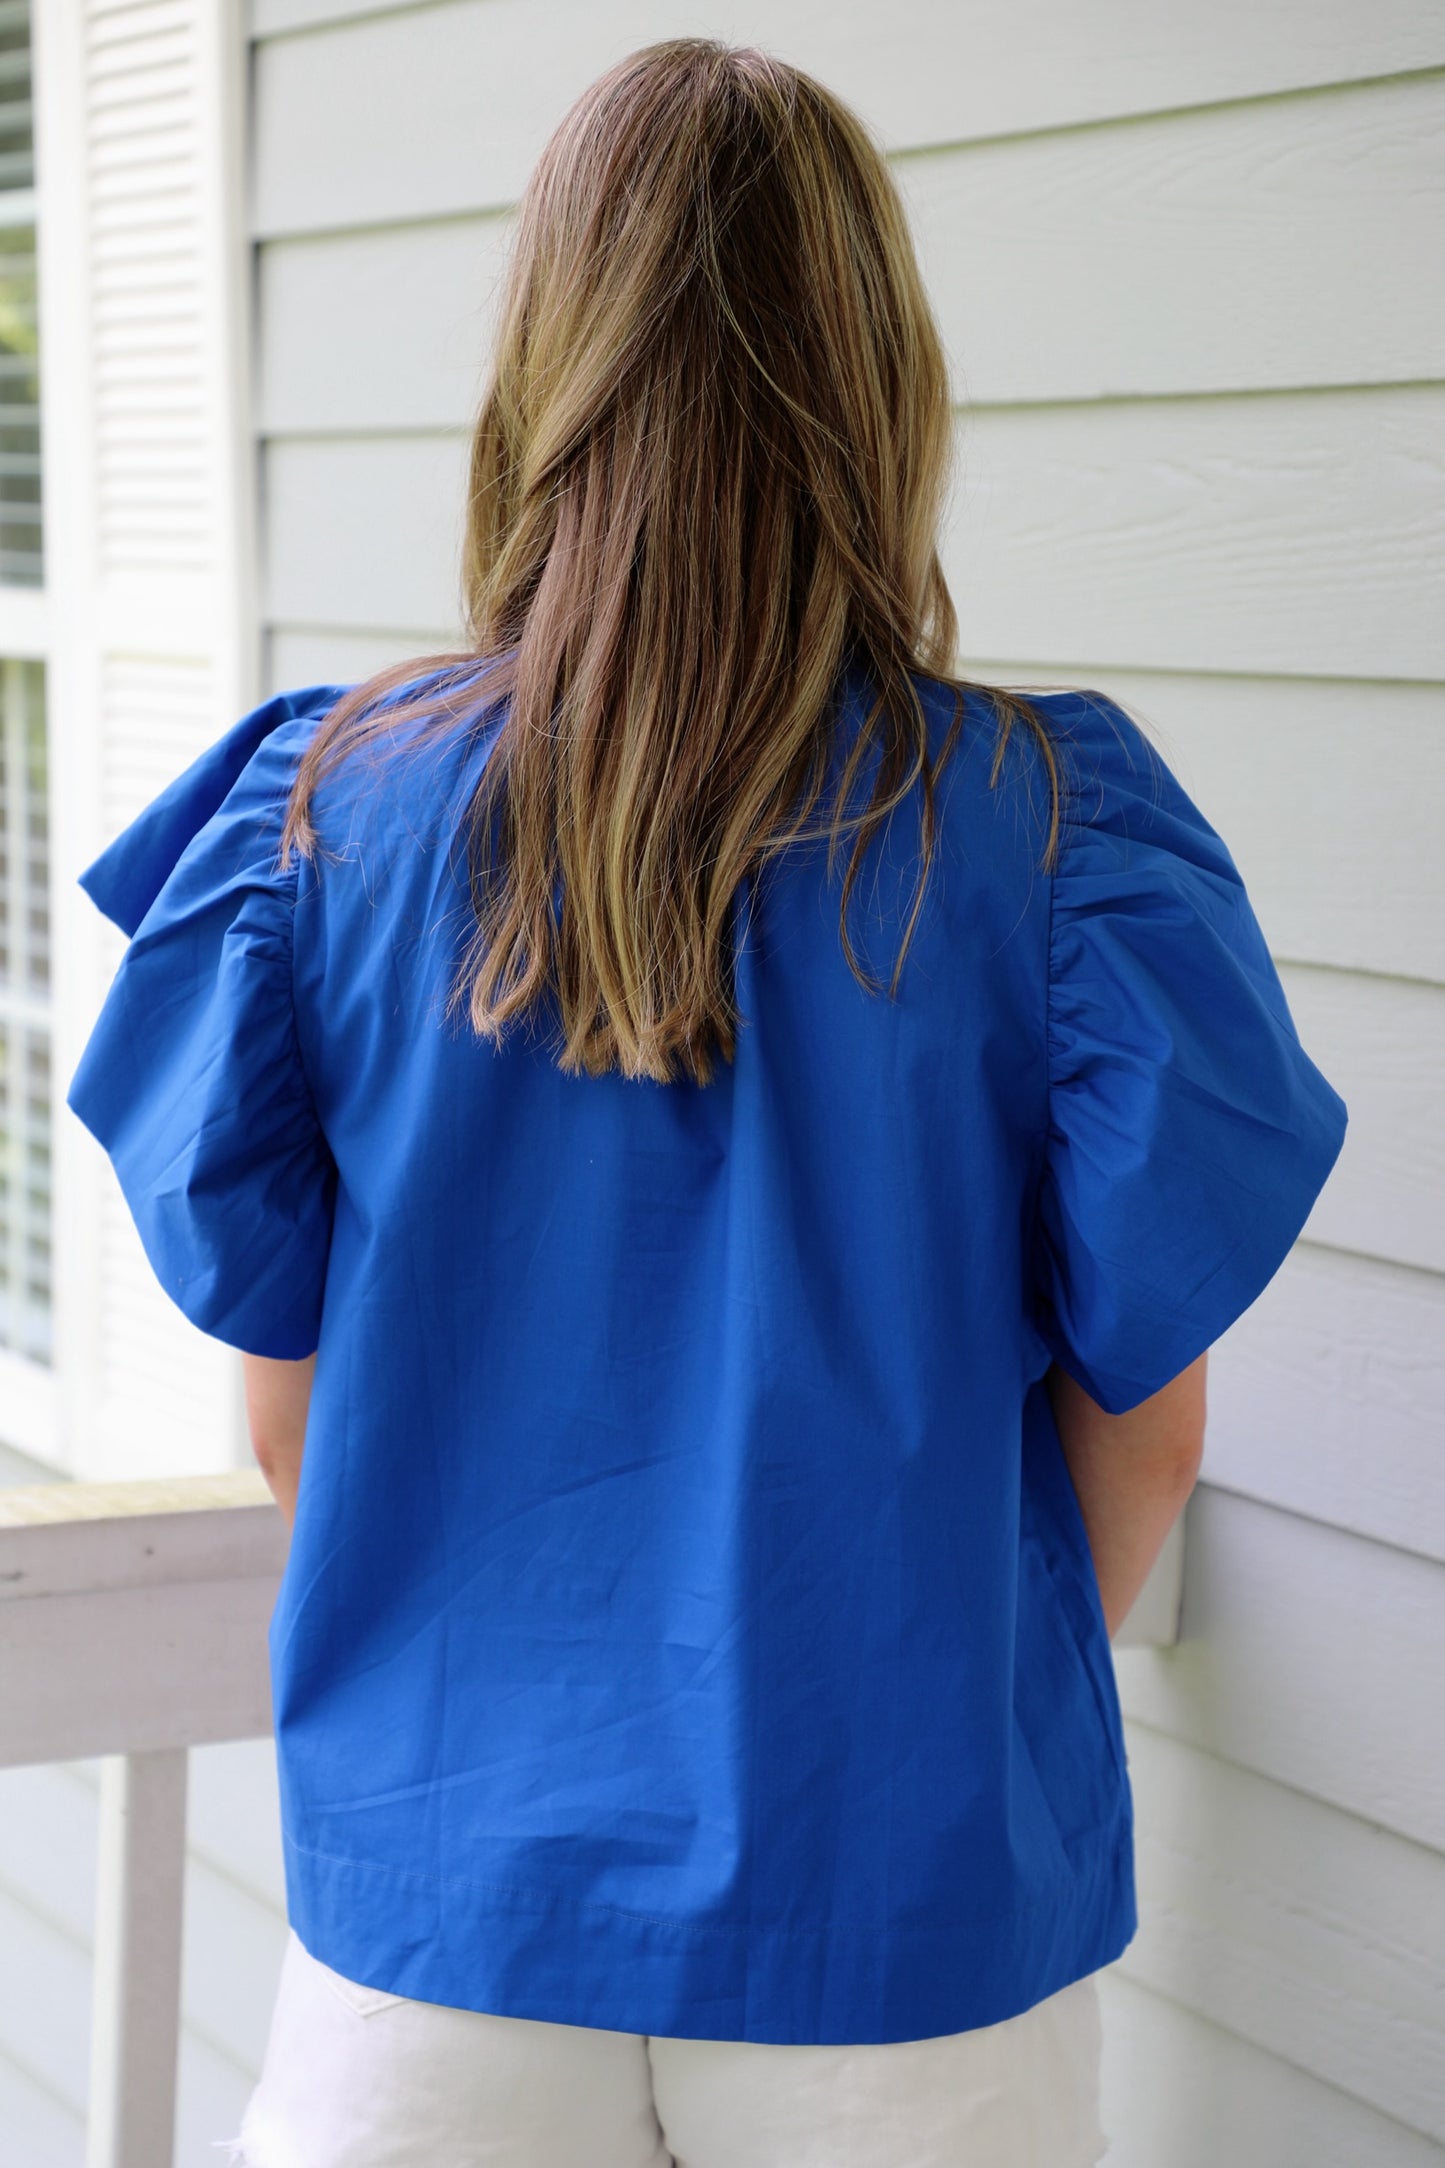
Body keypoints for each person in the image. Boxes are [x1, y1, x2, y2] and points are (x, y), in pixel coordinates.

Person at [66, 38, 1347, 2168]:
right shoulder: (1052, 833)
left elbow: (290, 1416)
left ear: (546, 370)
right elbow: (1154, 1420)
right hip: (909, 1940)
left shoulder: (324, 818)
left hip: (444, 1938)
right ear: (879, 381)